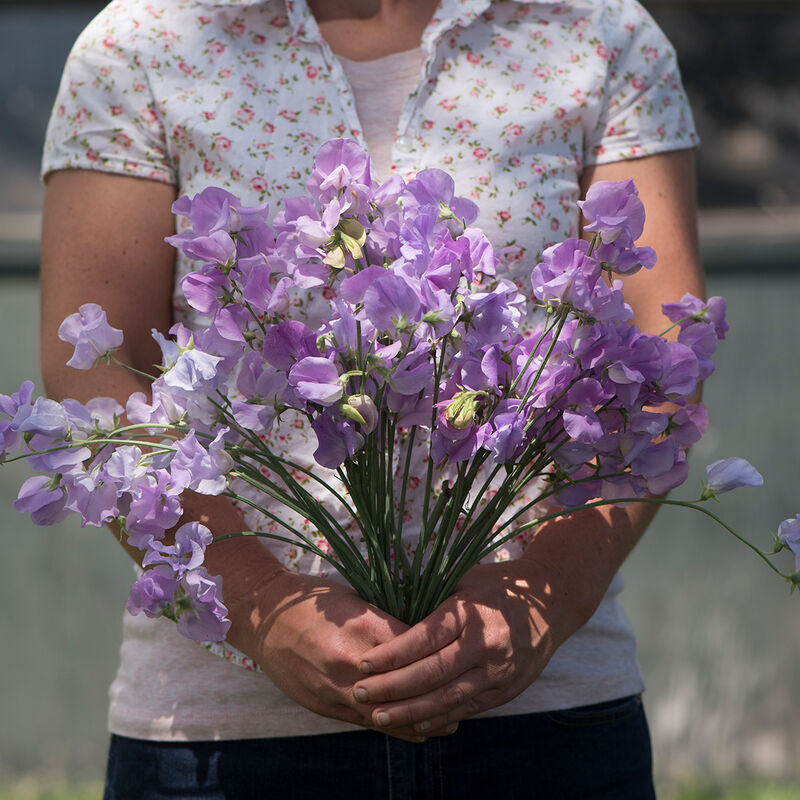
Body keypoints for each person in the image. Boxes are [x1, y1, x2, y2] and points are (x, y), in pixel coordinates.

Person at [40, 0, 705, 796]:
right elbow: (97, 377)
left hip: (542, 715)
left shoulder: (595, 30)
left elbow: (665, 366)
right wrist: (263, 608)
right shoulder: (144, 40)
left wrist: (544, 600)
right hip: (227, 731)